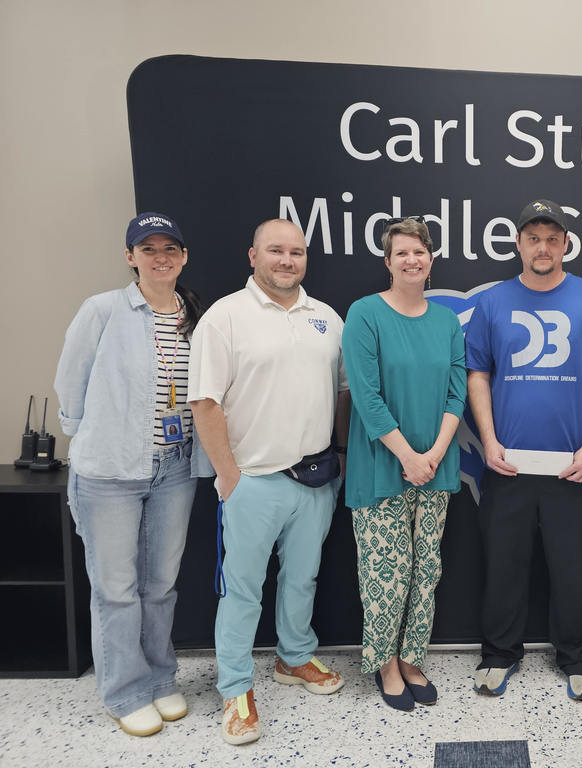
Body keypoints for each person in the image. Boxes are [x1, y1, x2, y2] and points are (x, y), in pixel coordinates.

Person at [188, 218, 349, 746]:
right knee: (243, 592)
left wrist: (341, 457)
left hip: (315, 478)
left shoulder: (326, 318)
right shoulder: (225, 318)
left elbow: (342, 393)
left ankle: (294, 657)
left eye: (296, 252)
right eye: (275, 251)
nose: (287, 260)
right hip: (252, 482)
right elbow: (204, 403)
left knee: (302, 579)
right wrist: (229, 477)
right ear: (252, 255)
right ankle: (235, 688)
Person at [55, 212, 212, 737]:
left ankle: (161, 679)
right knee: (117, 588)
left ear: (184, 256)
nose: (161, 257)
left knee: (161, 584)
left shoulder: (194, 313)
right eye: (149, 249)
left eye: (171, 248)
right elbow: (71, 384)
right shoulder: (101, 310)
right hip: (111, 471)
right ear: (130, 257)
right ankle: (124, 691)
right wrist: (91, 443)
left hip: (175, 468)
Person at [465, 199, 582, 702]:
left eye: (551, 238)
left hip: (572, 468)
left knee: (574, 567)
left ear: (565, 245)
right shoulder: (493, 302)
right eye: (533, 237)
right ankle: (498, 654)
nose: (542, 246)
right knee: (503, 566)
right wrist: (489, 442)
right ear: (518, 244)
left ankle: (578, 657)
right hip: (508, 466)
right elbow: (478, 375)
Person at [342, 216, 466, 711]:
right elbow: (366, 398)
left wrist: (433, 454)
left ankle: (413, 656)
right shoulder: (365, 314)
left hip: (436, 464)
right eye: (402, 253)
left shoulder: (446, 321)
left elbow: (457, 393)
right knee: (385, 571)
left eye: (420, 251)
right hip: (383, 464)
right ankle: (385, 662)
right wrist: (409, 457)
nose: (412, 259)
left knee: (425, 569)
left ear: (430, 259)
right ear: (387, 261)